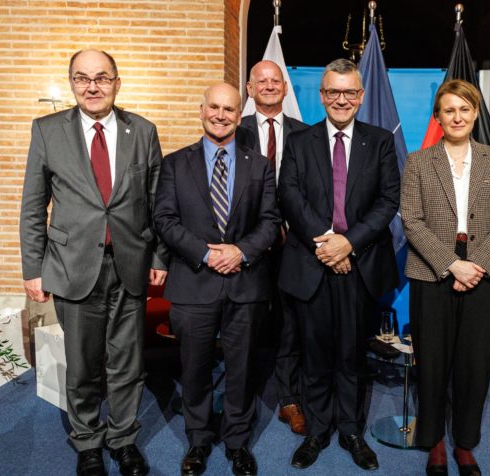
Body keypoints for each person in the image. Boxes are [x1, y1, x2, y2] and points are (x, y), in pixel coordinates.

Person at [20, 49, 168, 476]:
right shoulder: (47, 130)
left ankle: (123, 440)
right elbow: (33, 204)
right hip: (71, 266)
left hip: (130, 264)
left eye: (102, 78)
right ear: (71, 83)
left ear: (117, 83)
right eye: (82, 78)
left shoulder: (142, 130)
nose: (93, 86)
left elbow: (157, 202)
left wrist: (158, 254)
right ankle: (87, 443)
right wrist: (33, 267)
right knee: (83, 366)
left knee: (128, 363)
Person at [277, 58, 400, 471]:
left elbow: (388, 201)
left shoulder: (380, 141)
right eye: (333, 92)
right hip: (312, 263)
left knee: (351, 355)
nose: (341, 99)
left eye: (350, 92)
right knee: (314, 355)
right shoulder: (299, 140)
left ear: (362, 96)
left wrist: (349, 243)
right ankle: (317, 430)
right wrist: (328, 244)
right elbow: (290, 196)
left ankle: (350, 430)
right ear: (322, 95)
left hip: (360, 264)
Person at [153, 82, 280, 476]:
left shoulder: (259, 165)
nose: (221, 115)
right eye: (214, 107)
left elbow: (271, 221)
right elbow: (164, 220)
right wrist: (207, 253)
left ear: (238, 113)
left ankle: (238, 442)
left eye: (229, 109)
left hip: (245, 282)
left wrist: (240, 252)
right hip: (194, 281)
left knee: (241, 369)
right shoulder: (174, 164)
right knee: (194, 368)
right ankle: (198, 441)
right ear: (202, 109)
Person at [401, 79, 490, 476]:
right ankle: (433, 439)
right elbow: (411, 222)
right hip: (432, 270)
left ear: (475, 113)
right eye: (449, 110)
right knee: (431, 360)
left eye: (465, 109)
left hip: (481, 271)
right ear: (439, 116)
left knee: (473, 362)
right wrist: (452, 264)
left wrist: (476, 264)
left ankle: (465, 442)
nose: (457, 117)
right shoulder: (418, 162)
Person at [238, 59, 309, 435]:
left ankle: (288, 399)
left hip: (292, 245)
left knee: (288, 326)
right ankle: (240, 401)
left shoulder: (304, 134)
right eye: (260, 81)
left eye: (274, 81)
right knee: (244, 324)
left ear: (284, 88)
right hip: (246, 246)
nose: (268, 86)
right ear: (249, 89)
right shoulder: (234, 130)